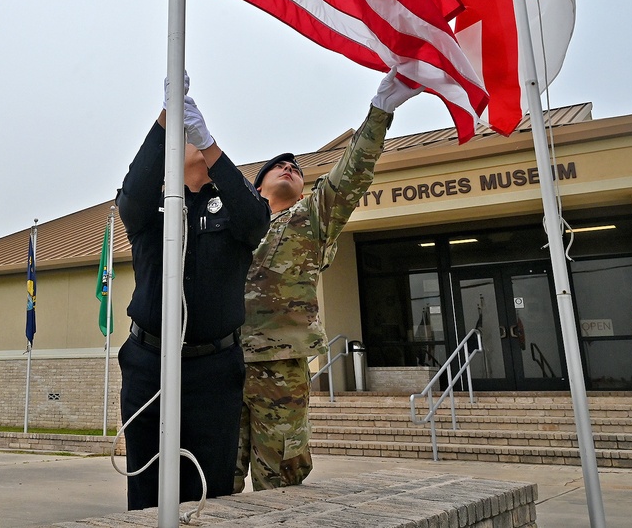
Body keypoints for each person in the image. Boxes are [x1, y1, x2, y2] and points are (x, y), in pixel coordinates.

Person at [234, 69, 423, 493]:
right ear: (257, 186)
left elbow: (351, 173)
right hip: (221, 361)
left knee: (279, 477)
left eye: (295, 168)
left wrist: (380, 112)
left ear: (303, 191)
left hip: (277, 363)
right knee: (214, 470)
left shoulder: (309, 220)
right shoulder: (233, 229)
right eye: (277, 166)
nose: (287, 167)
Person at [116, 75, 270, 510]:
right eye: (186, 138)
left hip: (213, 369)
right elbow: (130, 199)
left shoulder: (233, 208)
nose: (193, 142)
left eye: (194, 134)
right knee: (146, 490)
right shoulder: (154, 205)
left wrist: (211, 142)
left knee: (209, 491)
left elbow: (256, 219)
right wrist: (167, 116)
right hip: (150, 363)